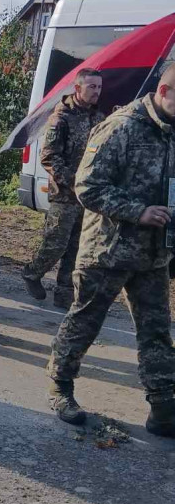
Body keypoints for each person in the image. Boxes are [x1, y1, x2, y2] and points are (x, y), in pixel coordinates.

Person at [47, 63, 175, 435]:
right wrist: (139, 212)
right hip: (108, 251)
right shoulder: (121, 126)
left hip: (153, 254)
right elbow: (87, 186)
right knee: (85, 321)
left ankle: (164, 406)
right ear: (164, 92)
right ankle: (60, 386)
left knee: (156, 330)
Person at [22, 69, 105, 308]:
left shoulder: (98, 118)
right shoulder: (62, 117)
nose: (96, 92)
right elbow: (48, 157)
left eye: (99, 87)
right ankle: (32, 273)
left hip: (87, 196)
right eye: (91, 87)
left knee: (77, 248)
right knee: (56, 244)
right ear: (77, 88)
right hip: (65, 195)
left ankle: (65, 293)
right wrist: (73, 181)